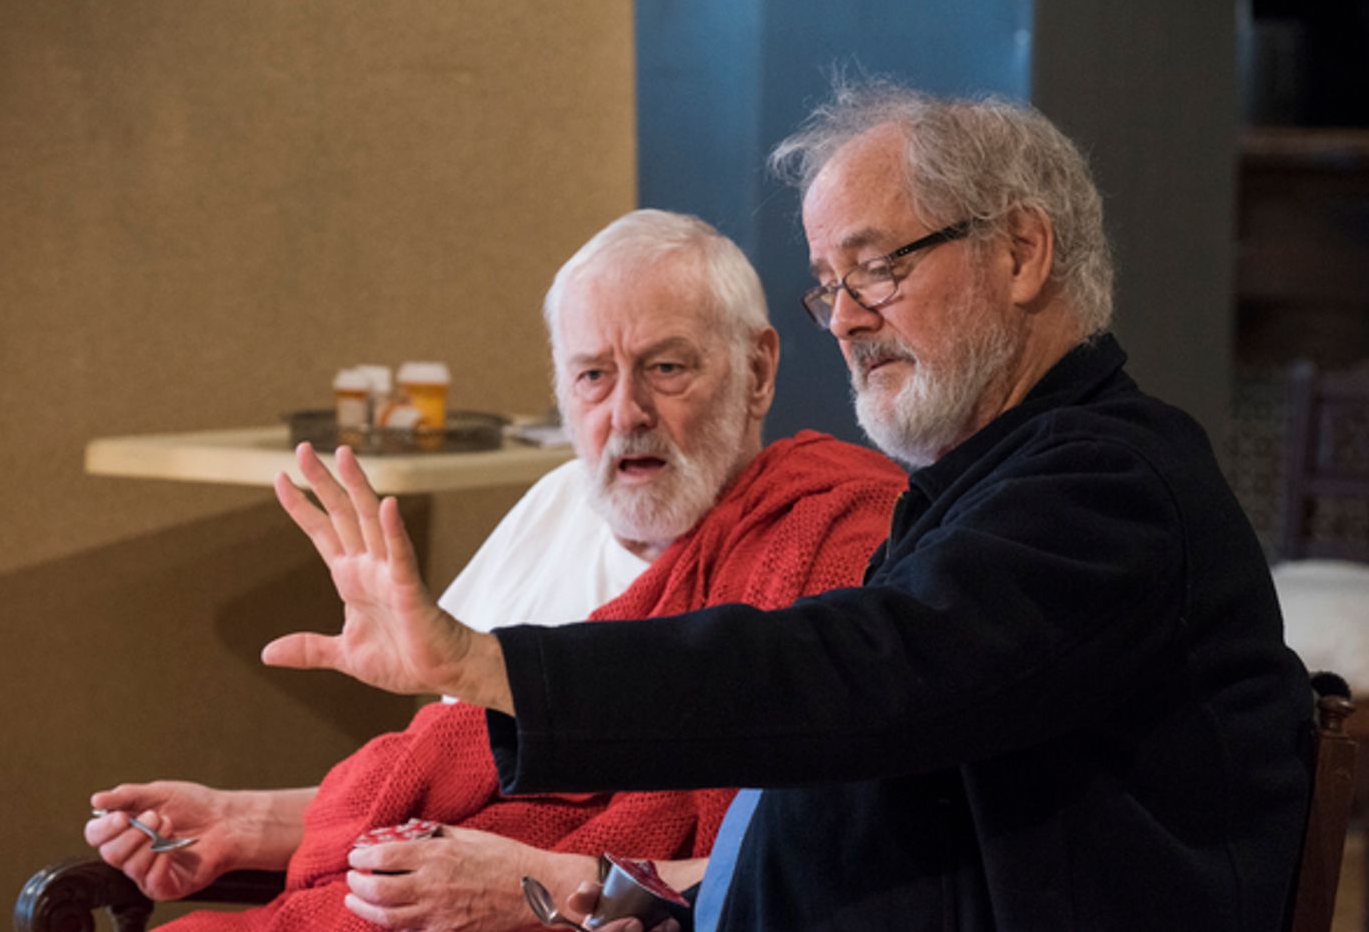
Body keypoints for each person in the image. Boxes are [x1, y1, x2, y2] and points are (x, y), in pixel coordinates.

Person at [261, 83, 1314, 932]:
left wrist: (482, 665)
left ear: (1020, 252)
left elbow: (856, 676)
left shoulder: (1107, 485)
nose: (845, 321)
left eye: (876, 269)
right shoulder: (995, 479)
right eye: (827, 284)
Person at [84, 209, 906, 931]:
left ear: (758, 371)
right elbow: (448, 789)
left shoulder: (841, 536)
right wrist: (243, 821)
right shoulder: (556, 505)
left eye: (666, 368)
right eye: (592, 375)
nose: (625, 412)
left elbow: (820, 854)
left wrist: (549, 887)